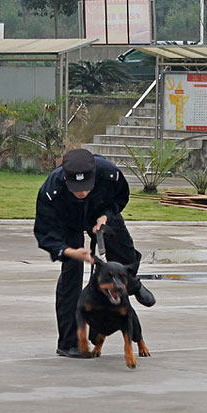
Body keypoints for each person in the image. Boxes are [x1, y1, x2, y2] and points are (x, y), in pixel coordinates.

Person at [33, 148, 155, 358]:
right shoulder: (50, 191)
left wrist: (106, 216)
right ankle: (69, 343)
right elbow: (45, 233)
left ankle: (133, 283)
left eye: (86, 187)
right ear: (64, 176)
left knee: (124, 253)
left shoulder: (109, 173)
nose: (81, 192)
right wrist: (70, 251)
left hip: (100, 212)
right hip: (68, 224)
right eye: (76, 188)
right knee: (72, 273)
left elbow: (120, 197)